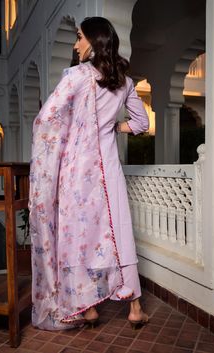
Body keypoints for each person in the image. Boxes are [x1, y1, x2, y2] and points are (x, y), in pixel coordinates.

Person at [29, 16, 149, 331]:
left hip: (77, 172)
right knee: (117, 231)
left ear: (95, 41)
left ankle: (89, 307)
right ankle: (134, 307)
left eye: (80, 37)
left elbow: (46, 119)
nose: (75, 44)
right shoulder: (124, 81)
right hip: (108, 171)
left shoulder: (77, 76)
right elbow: (141, 124)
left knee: (80, 236)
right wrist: (111, 127)